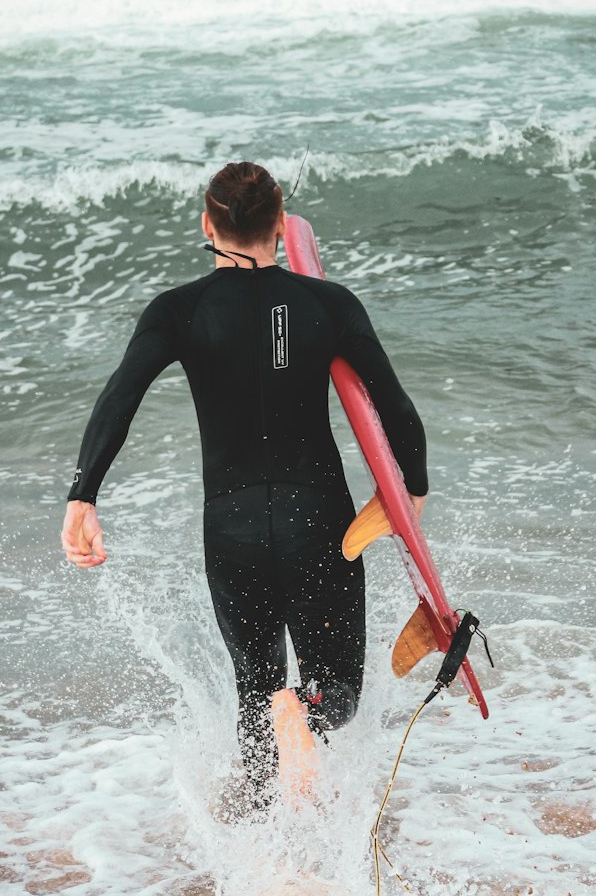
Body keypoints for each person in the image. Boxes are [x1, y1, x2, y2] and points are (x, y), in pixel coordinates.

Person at [61, 162, 428, 810]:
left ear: (209, 225)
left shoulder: (180, 309)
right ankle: (303, 712)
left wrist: (82, 495)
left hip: (231, 529)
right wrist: (411, 493)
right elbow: (395, 410)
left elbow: (119, 396)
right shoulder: (328, 304)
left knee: (254, 692)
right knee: (334, 692)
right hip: (318, 519)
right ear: (282, 225)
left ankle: (259, 860)